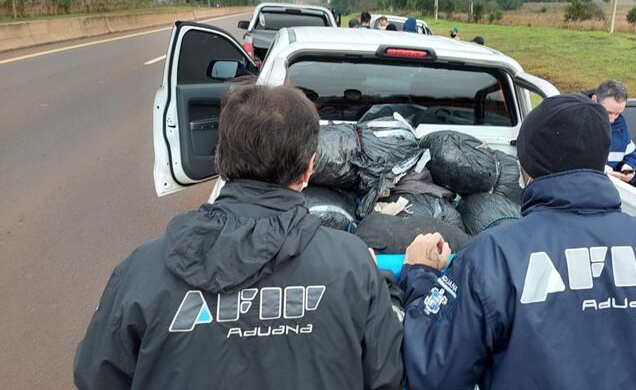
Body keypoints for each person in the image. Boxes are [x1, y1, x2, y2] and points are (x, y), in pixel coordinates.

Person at [74, 85, 405, 390]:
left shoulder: (142, 270)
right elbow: (386, 377)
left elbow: (96, 377)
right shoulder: (353, 264)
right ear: (309, 167)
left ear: (221, 160)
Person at [399, 94, 636, 390]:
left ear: (524, 167)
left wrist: (420, 274)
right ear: (601, 161)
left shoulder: (494, 257)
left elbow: (432, 371)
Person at [586, 80, 636, 184]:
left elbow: (631, 155)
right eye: (608, 112)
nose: (612, 119)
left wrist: (628, 168)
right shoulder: (576, 120)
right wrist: (601, 170)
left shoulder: (620, 126)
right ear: (594, 100)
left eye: (617, 113)